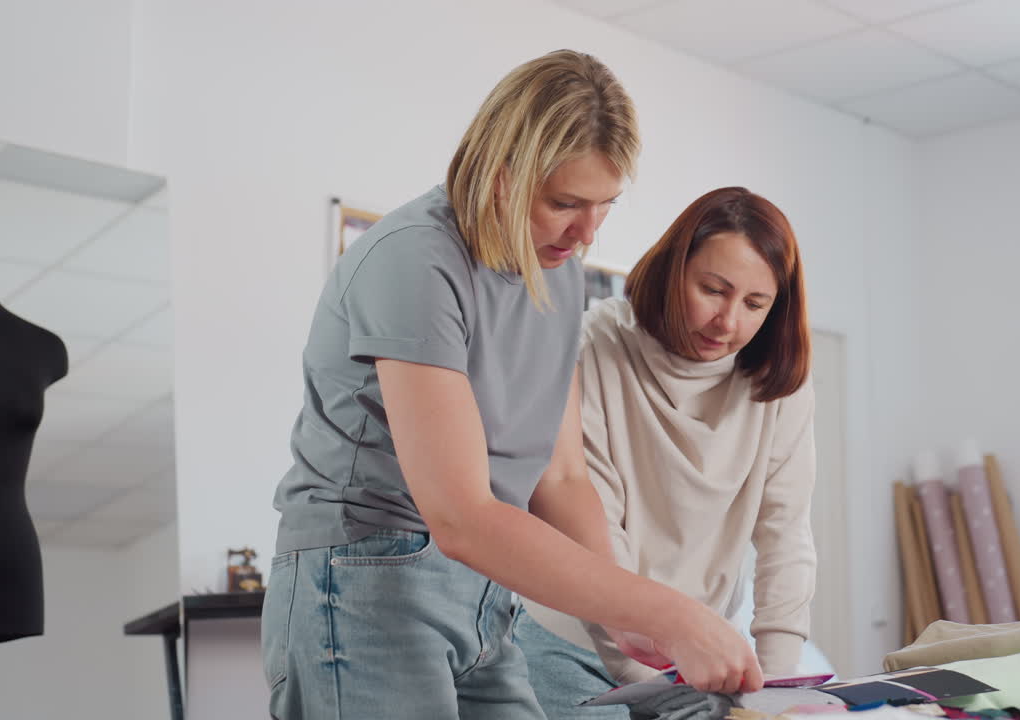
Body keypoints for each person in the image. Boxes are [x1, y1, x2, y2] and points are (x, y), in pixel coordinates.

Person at [261, 53, 763, 720]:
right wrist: (671, 615)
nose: (586, 233)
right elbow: (461, 515)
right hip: (363, 583)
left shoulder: (556, 274)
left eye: (605, 206)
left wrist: (622, 609)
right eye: (565, 203)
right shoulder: (415, 259)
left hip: (484, 594)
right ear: (501, 173)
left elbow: (559, 478)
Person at [515, 187, 818, 719]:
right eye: (712, 289)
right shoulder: (593, 348)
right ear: (674, 269)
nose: (727, 322)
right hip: (571, 642)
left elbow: (786, 536)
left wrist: (778, 689)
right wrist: (658, 681)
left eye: (754, 304)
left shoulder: (779, 385)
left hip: (692, 652)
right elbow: (594, 529)